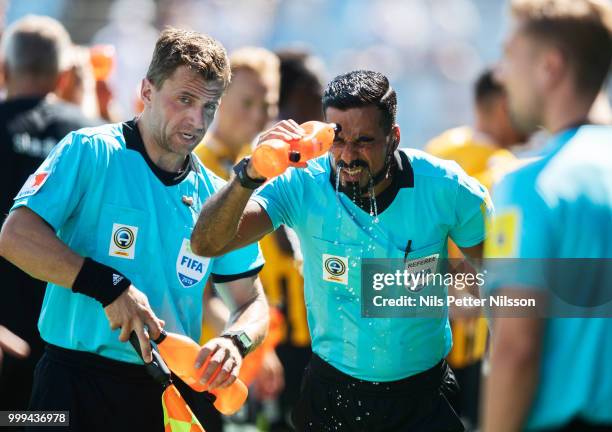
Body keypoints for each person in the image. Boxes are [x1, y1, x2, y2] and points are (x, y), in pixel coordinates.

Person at [191, 69, 493, 431]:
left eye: (364, 141)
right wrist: (250, 174)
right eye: (338, 140)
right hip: (331, 396)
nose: (348, 157)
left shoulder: (447, 188)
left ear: (393, 137)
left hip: (422, 398)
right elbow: (208, 242)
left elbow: (497, 284)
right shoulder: (302, 182)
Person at [0, 28, 269, 432]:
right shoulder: (90, 151)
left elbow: (253, 302)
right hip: (70, 384)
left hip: (162, 394)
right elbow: (14, 236)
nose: (197, 120)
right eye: (185, 99)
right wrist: (108, 285)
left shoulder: (216, 197)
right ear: (146, 89)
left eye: (209, 106)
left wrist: (235, 342)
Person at [481, 1, 612, 431]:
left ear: (550, 67)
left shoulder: (530, 187)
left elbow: (517, 348)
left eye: (509, 55)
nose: (501, 76)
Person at [0, 15, 100, 411]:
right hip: (69, 343)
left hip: (5, 339)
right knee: (47, 423)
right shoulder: (92, 138)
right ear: (63, 77)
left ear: (4, 70)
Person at [425, 68, 527, 430]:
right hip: (474, 349)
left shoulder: (437, 153)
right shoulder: (505, 172)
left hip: (425, 345)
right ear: (505, 104)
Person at [193, 45, 285, 427]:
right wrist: (246, 343)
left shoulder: (270, 167)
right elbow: (198, 284)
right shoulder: (197, 168)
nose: (259, 115)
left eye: (268, 104)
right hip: (209, 355)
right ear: (219, 101)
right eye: (246, 102)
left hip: (262, 340)